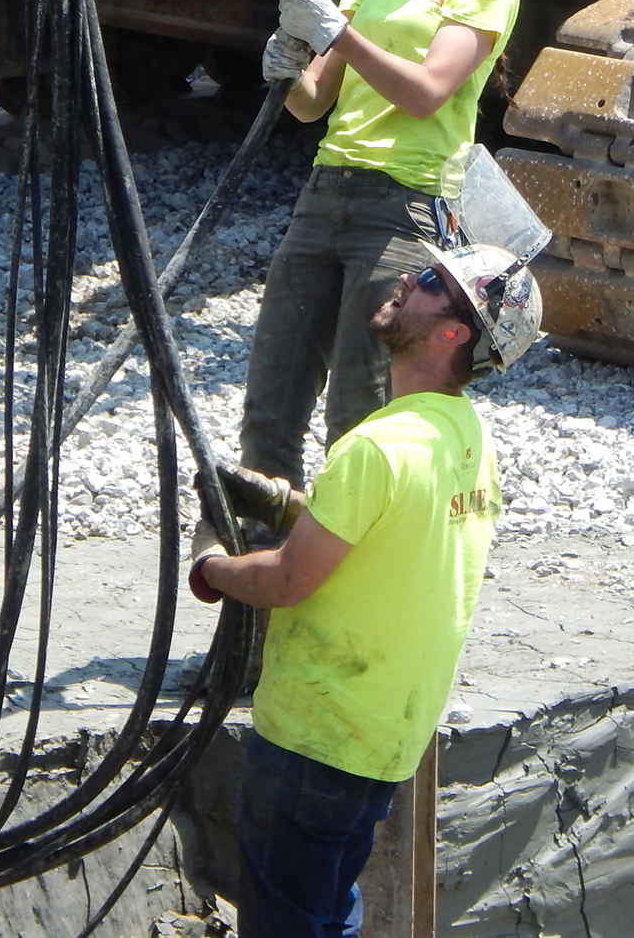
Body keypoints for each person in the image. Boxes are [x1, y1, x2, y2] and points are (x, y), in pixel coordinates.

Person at [190, 242, 544, 938]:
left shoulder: (375, 449)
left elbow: (288, 580)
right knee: (325, 906)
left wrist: (209, 566)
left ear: (452, 333)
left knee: (286, 921)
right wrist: (289, 504)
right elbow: (387, 532)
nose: (408, 278)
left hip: (314, 733)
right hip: (384, 735)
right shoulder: (466, 438)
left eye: (433, 283)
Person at [240, 0, 528, 491]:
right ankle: (258, 579)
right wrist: (284, 64)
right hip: (325, 194)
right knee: (270, 405)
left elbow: (427, 93)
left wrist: (335, 31)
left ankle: (348, 576)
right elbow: (313, 104)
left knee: (359, 415)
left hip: (399, 212)